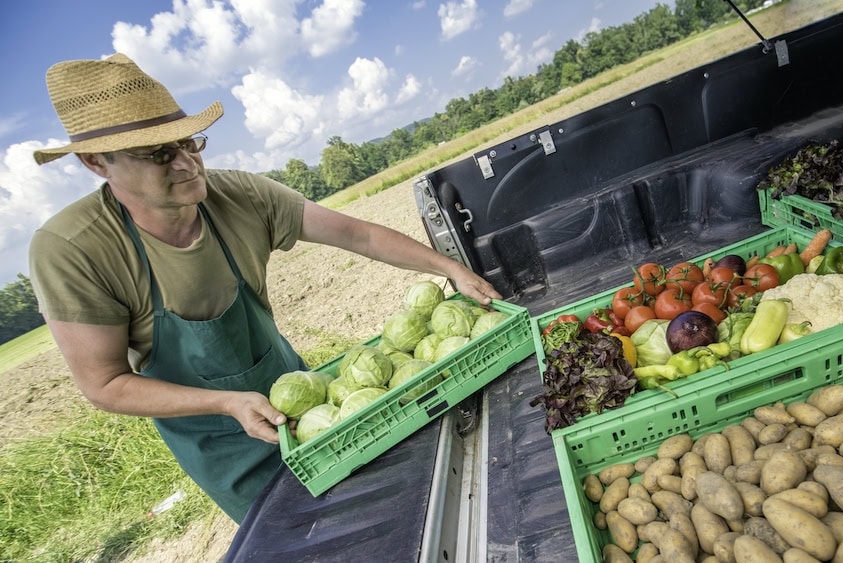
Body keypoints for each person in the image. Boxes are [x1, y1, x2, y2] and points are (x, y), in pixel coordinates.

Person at [28, 53, 501, 523]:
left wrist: (451, 268)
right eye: (159, 155)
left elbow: (360, 235)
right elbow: (105, 384)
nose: (188, 164)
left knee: (381, 514)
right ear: (96, 162)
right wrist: (228, 403)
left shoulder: (239, 195)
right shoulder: (74, 249)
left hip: (311, 407)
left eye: (191, 143)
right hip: (221, 443)